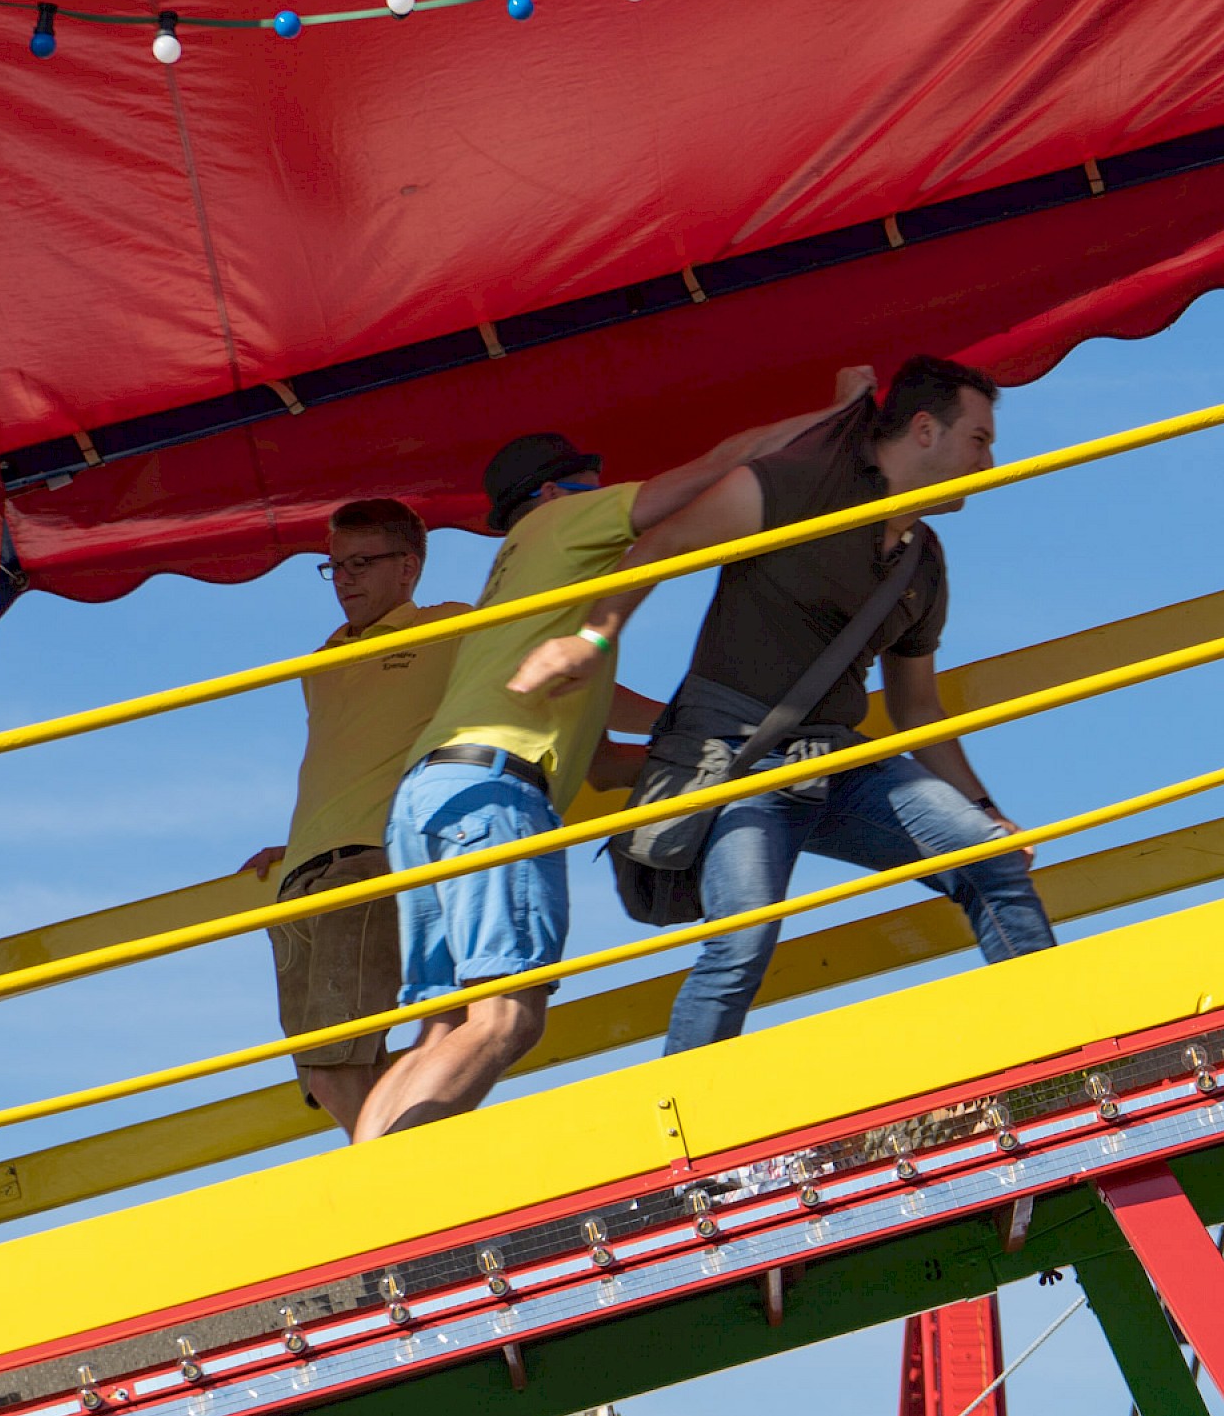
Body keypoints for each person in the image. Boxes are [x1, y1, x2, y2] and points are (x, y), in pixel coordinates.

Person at [351, 367, 875, 1141]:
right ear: (559, 493)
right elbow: (710, 472)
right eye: (596, 483)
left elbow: (600, 761)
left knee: (442, 1026)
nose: (614, 493)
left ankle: (359, 1199)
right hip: (495, 792)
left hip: (434, 794)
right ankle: (391, 1186)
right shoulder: (565, 524)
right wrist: (834, 415)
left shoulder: (529, 599)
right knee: (507, 1017)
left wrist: (711, 746)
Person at [511, 355, 1056, 1053]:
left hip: (838, 761)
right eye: (979, 440)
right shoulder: (798, 484)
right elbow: (665, 541)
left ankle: (1059, 1050)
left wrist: (984, 812)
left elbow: (918, 709)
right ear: (924, 430)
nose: (988, 463)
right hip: (745, 765)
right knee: (742, 944)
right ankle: (687, 1138)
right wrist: (593, 635)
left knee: (996, 862)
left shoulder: (925, 563)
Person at [234, 500, 470, 1137]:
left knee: (340, 1067)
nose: (344, 579)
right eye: (333, 567)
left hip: (367, 863)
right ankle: (424, 1189)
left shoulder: (451, 626)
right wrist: (301, 841)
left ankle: (405, 1205)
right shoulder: (322, 660)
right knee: (330, 1073)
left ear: (408, 569)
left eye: (361, 563)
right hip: (301, 880)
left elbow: (546, 683)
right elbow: (355, 754)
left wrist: (652, 739)